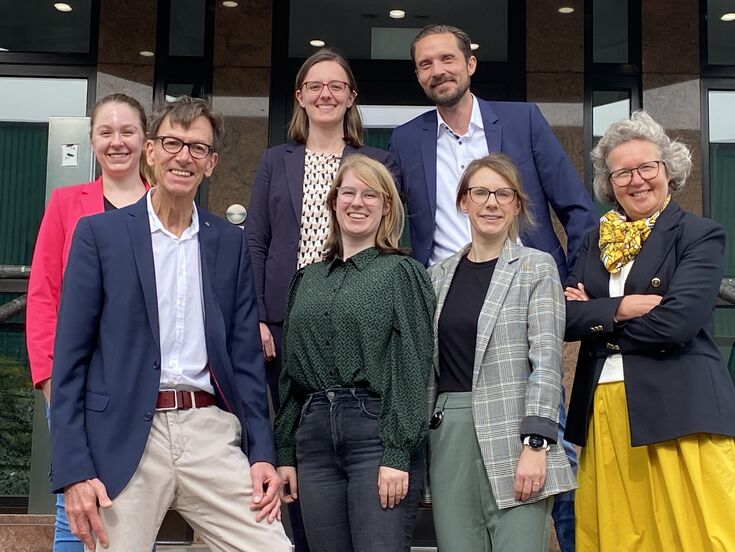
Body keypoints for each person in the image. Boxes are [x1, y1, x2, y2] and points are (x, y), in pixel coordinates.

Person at [49, 96, 291, 552]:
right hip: (126, 436)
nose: (184, 156)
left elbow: (244, 362)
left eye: (197, 148)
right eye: (173, 143)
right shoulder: (100, 236)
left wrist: (261, 452)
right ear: (152, 152)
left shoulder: (229, 244)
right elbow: (69, 363)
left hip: (208, 430)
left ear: (212, 163)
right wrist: (74, 469)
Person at [389, 23, 590, 550]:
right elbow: (386, 217)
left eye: (447, 59)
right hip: (450, 303)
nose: (438, 70)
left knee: (549, 473)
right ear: (418, 75)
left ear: (470, 64)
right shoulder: (408, 137)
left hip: (520, 302)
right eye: (426, 64)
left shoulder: (521, 121)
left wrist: (568, 286)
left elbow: (576, 206)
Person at [244, 48, 397, 550]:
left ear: (351, 97)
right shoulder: (276, 160)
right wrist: (258, 318)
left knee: (348, 439)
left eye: (337, 86)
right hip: (285, 326)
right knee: (292, 443)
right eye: (315, 86)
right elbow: (257, 242)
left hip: (356, 324)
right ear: (300, 97)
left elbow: (395, 238)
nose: (326, 94)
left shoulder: (376, 162)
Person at [564, 110, 735, 551]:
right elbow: (564, 318)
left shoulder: (699, 234)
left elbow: (679, 322)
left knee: (698, 535)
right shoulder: (593, 240)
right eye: (623, 172)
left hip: (681, 405)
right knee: (619, 534)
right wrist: (622, 307)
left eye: (646, 167)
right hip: (604, 404)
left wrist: (599, 317)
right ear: (609, 182)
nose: (636, 180)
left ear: (669, 171)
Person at [274, 154, 434, 552]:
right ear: (333, 202)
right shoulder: (306, 280)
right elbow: (291, 375)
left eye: (371, 195)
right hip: (312, 437)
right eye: (348, 192)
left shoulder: (402, 272)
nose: (357, 202)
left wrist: (398, 453)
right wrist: (284, 453)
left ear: (386, 208)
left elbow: (414, 366)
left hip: (375, 433)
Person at [428, 154, 576, 551]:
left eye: (503, 194)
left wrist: (537, 443)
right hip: (450, 439)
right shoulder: (437, 276)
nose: (491, 203)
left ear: (516, 205)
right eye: (480, 192)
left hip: (515, 434)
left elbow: (547, 361)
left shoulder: (536, 267)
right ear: (463, 202)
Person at [26, 93, 151, 552]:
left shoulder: (163, 206)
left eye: (127, 132)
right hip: (75, 381)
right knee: (73, 511)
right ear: (92, 139)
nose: (117, 142)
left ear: (145, 141)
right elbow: (43, 294)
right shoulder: (66, 203)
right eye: (106, 132)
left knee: (140, 507)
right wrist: (49, 379)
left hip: (139, 382)